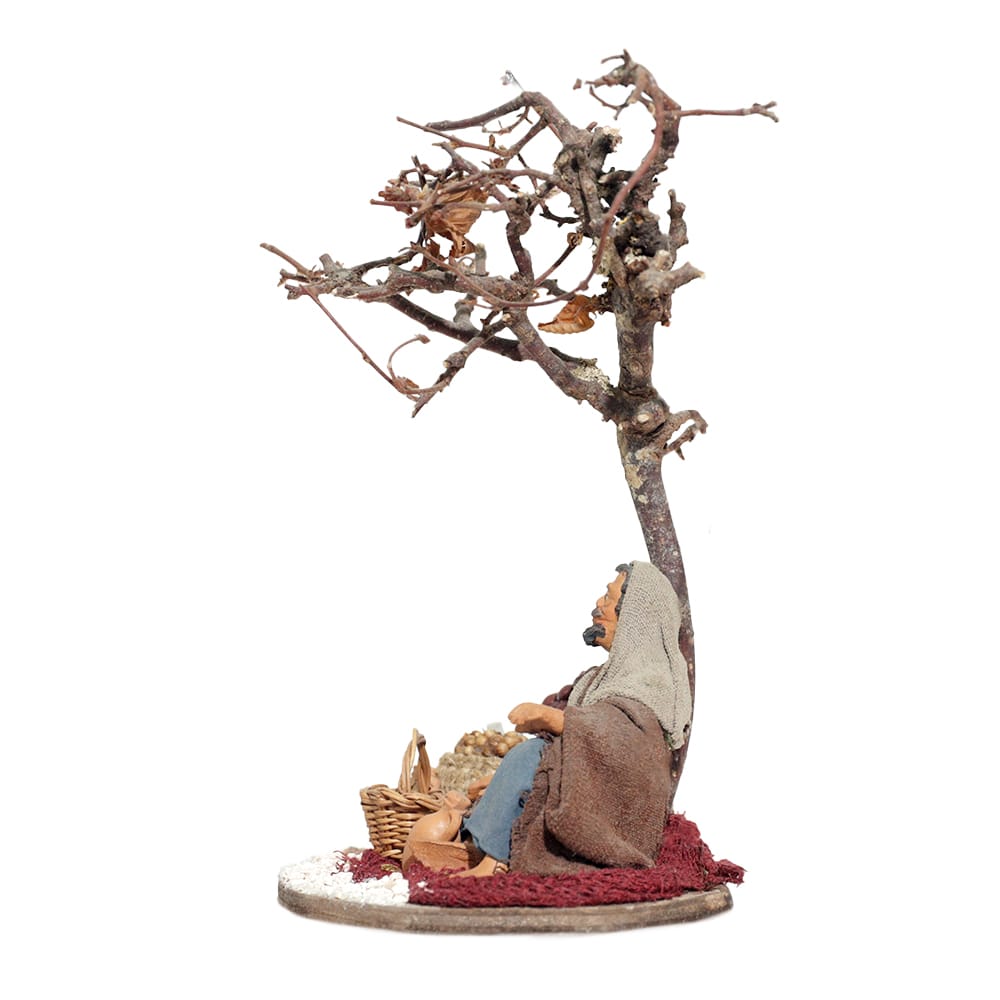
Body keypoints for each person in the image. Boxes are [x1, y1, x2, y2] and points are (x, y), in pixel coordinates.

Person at [456, 560, 692, 877]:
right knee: (531, 759)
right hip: (585, 782)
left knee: (532, 755)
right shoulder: (599, 679)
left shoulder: (651, 683)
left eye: (609, 598)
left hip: (613, 807)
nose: (599, 605)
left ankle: (493, 862)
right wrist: (506, 782)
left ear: (636, 617)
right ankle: (480, 847)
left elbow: (623, 739)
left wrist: (554, 719)